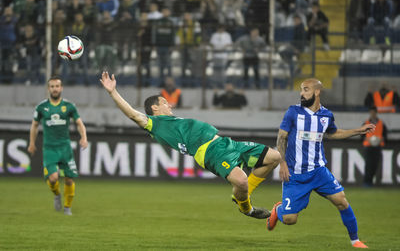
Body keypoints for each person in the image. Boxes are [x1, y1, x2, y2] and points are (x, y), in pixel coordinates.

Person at [100, 71, 281, 219]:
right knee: (241, 181)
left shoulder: (172, 120)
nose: (169, 104)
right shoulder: (155, 124)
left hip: (226, 143)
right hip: (210, 152)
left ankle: (242, 195)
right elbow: (133, 114)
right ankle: (246, 208)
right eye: (164, 102)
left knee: (274, 158)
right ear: (155, 108)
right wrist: (112, 92)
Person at [268, 78, 374, 249]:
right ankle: (278, 210)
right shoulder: (293, 112)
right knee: (289, 220)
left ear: (317, 92)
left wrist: (357, 131)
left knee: (341, 200)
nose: (302, 93)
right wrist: (282, 163)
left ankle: (355, 241)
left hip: (319, 171)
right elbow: (282, 137)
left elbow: (332, 133)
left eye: (306, 89)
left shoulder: (326, 115)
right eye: (301, 90)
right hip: (295, 174)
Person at [28, 76, 88, 215]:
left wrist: (84, 137)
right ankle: (56, 194)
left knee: (69, 179)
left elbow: (79, 123)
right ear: (48, 89)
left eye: (57, 86)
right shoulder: (42, 107)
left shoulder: (69, 106)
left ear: (61, 88)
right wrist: (31, 143)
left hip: (65, 147)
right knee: (53, 177)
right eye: (52, 86)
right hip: (49, 147)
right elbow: (34, 126)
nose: (55, 89)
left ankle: (67, 207)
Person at [361, 106, 387, 187]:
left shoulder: (381, 124)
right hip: (368, 147)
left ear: (376, 113)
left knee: (375, 165)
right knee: (368, 165)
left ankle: (372, 181)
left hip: (377, 147)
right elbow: (361, 136)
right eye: (371, 112)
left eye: (373, 112)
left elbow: (385, 136)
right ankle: (367, 182)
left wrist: (380, 140)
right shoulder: (366, 123)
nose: (372, 114)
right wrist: (368, 140)